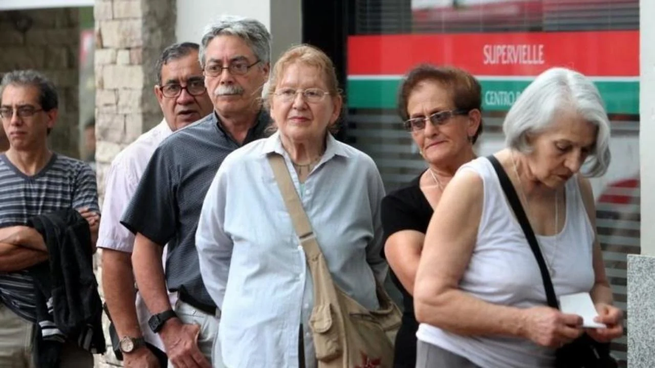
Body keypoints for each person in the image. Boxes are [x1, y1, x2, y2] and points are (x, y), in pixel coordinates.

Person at [413, 67, 624, 367]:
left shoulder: (579, 190)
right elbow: (429, 301)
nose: (574, 163)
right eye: (563, 147)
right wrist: (523, 323)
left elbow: (597, 281)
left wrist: (600, 311)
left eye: (585, 151)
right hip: (463, 359)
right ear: (528, 133)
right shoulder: (476, 185)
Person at [196, 44, 388, 368]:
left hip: (344, 349)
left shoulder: (361, 171)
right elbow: (212, 251)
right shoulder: (238, 168)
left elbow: (377, 257)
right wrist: (247, 308)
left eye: (313, 93)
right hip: (256, 348)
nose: (299, 104)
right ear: (271, 106)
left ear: (336, 107)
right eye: (287, 93)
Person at [121, 15, 272, 368]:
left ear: (264, 70)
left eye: (238, 65)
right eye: (215, 67)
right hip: (201, 327)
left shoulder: (286, 142)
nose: (225, 78)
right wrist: (166, 325)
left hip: (273, 322)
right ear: (206, 75)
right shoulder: (177, 150)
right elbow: (144, 247)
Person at [99, 42, 213, 368]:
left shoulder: (237, 150)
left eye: (195, 83)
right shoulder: (135, 161)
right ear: (158, 94)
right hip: (162, 339)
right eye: (172, 87)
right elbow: (116, 259)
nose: (184, 97)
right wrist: (132, 348)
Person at [380, 65, 482, 368]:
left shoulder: (509, 188)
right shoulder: (400, 206)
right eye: (416, 122)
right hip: (427, 354)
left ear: (472, 122)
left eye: (440, 116)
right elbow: (428, 292)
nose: (428, 130)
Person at [0, 70, 101, 367]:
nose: (14, 120)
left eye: (26, 110)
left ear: (51, 117)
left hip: (68, 318)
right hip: (4, 322)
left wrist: (16, 235)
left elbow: (89, 240)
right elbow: (75, 240)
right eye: (7, 111)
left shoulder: (78, 174)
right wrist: (63, 236)